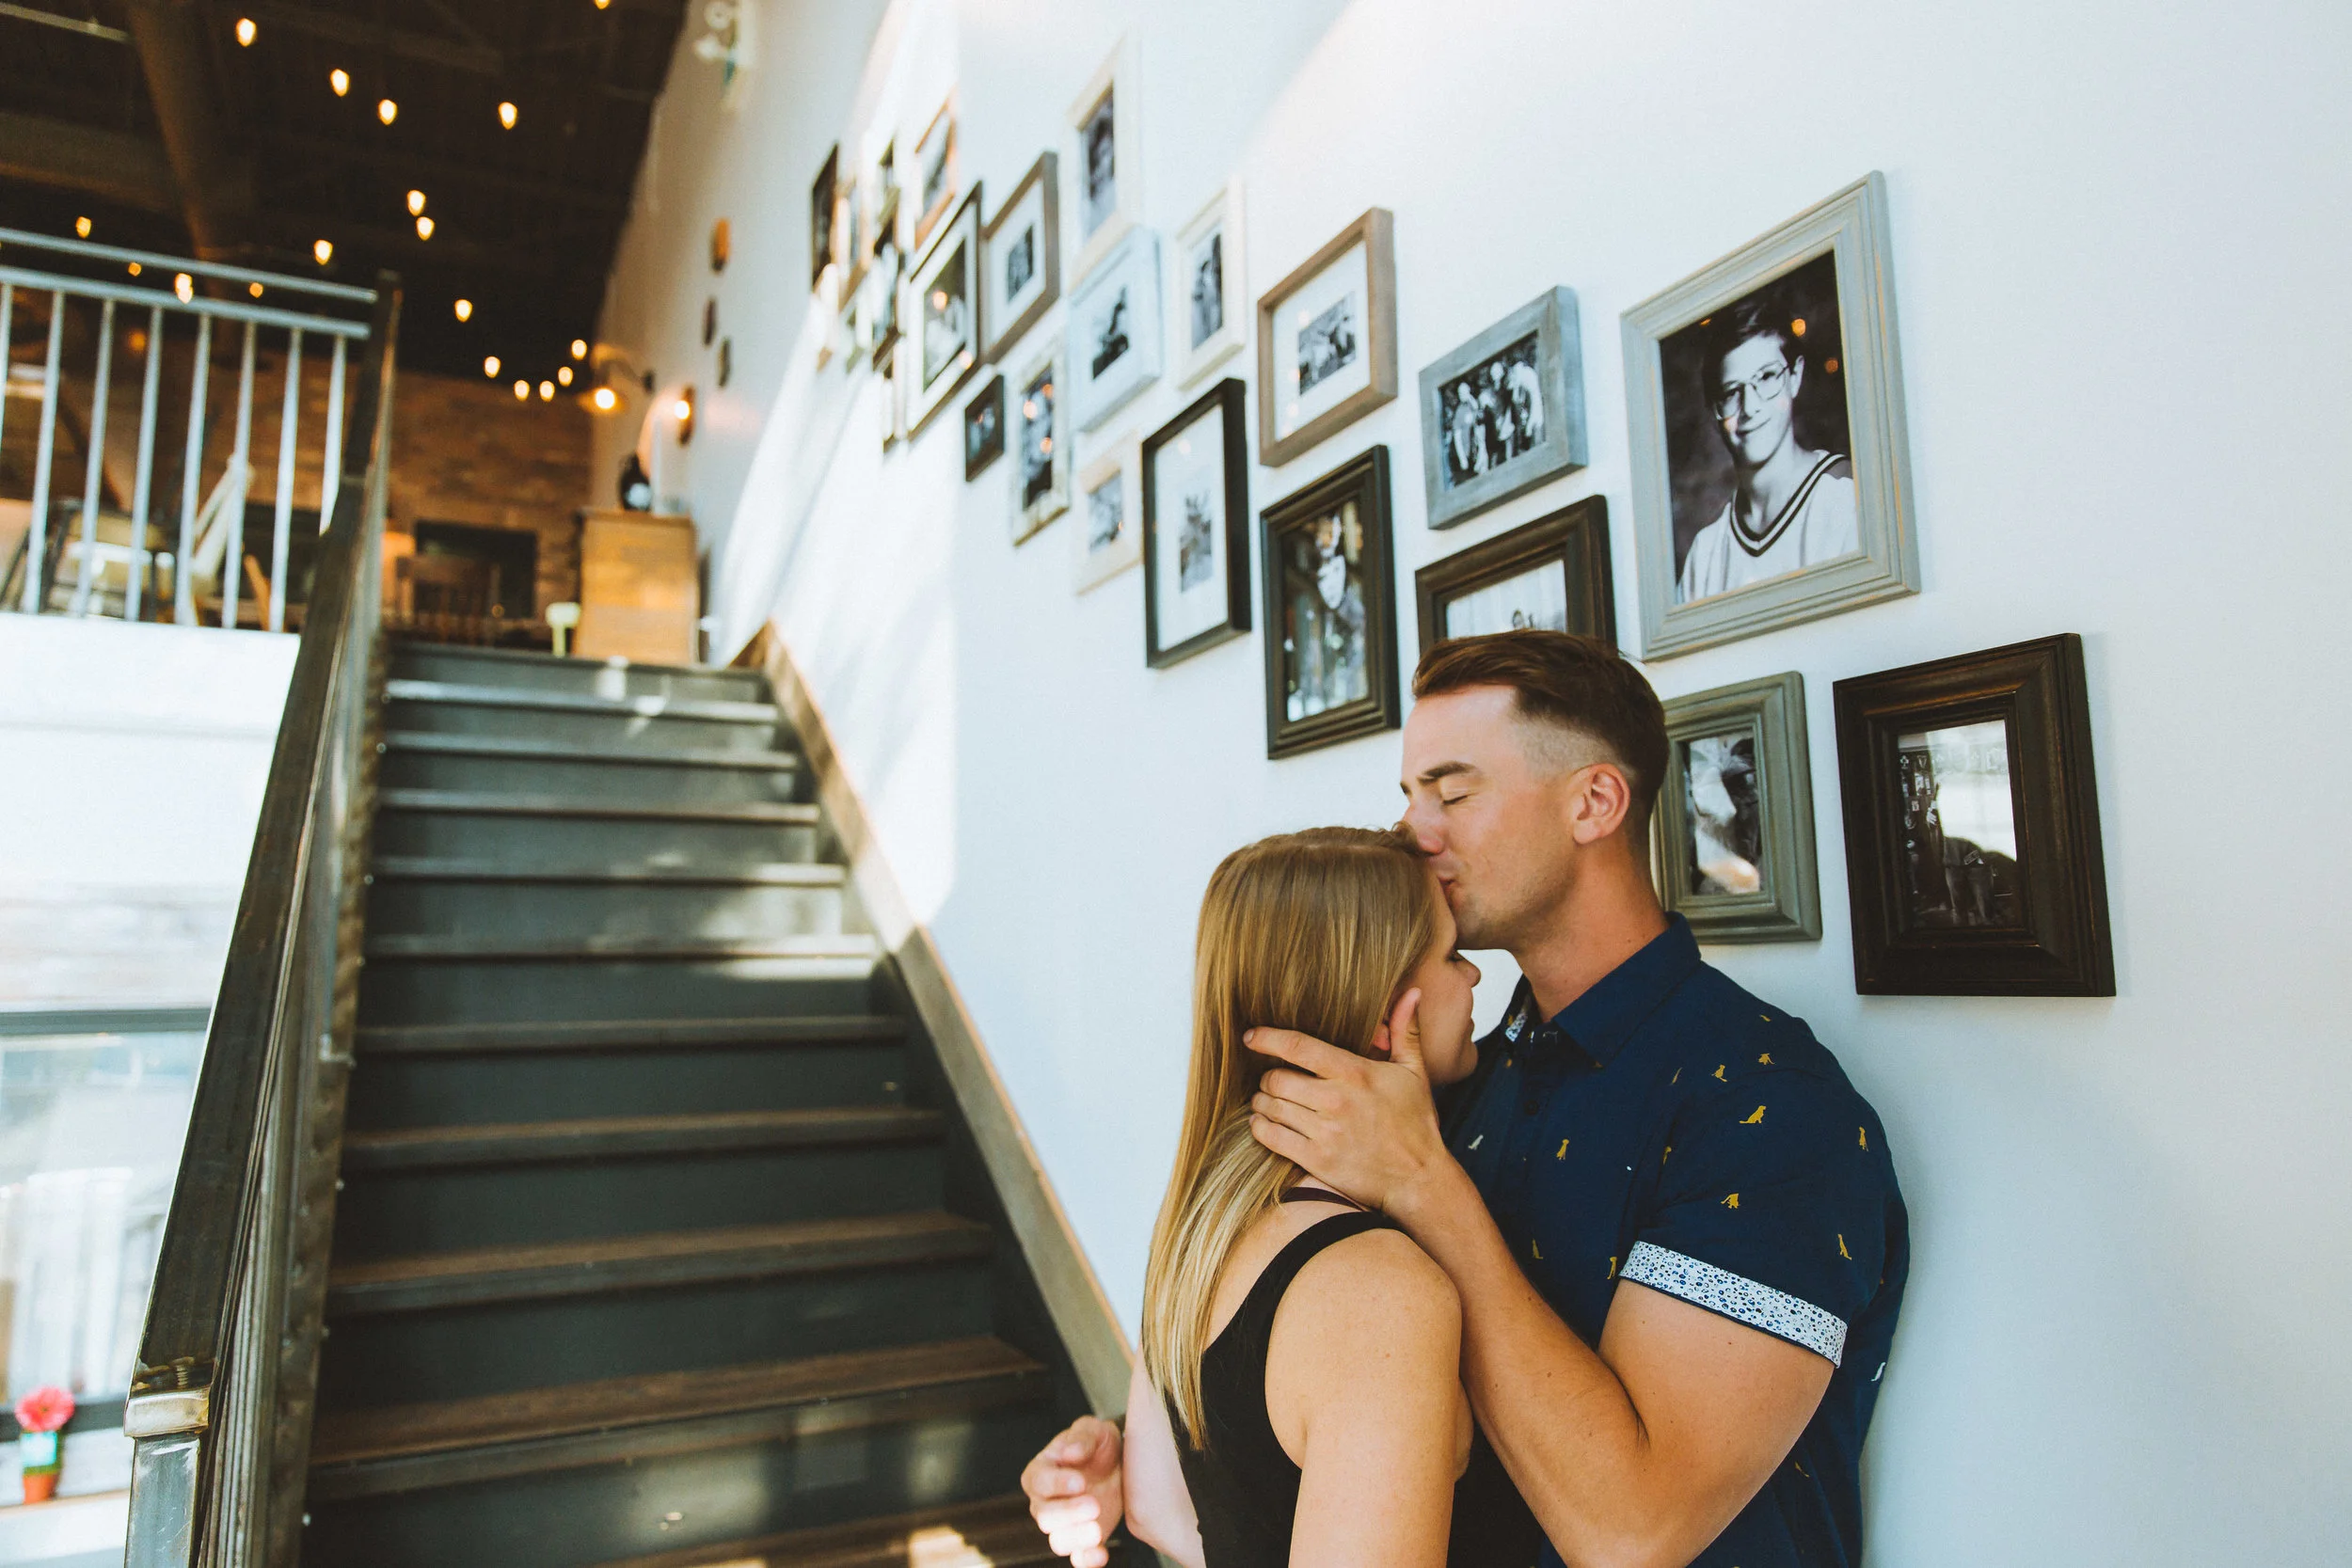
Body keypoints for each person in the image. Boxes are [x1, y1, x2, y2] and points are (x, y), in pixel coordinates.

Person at [1026, 630, 1907, 1568]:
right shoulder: (1451, 1082)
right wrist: (1153, 1457)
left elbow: (1633, 1529)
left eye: (1451, 791)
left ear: (1593, 801)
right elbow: (1339, 1373)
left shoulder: (1769, 1106)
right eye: (1408, 795)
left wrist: (1425, 1185)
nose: (1416, 830)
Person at [1059, 827, 1521, 1568]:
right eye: (1450, 954)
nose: (1472, 978)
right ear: (1385, 1018)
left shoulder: (1199, 1221)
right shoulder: (1380, 1290)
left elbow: (1156, 1511)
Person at [1676, 294, 1859, 603]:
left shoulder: (1847, 500)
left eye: (1766, 377)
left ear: (1795, 377)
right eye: (1731, 392)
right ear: (1714, 409)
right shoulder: (1705, 553)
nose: (1750, 407)